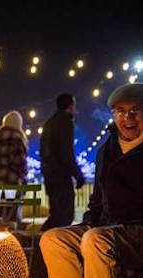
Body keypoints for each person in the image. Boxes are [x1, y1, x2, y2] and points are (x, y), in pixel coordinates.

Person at [40, 83, 143, 278]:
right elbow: (98, 198)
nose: (128, 118)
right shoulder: (107, 150)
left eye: (135, 111)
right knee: (54, 239)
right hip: (109, 229)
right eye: (120, 111)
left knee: (96, 240)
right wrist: (88, 222)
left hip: (138, 230)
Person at [40, 93, 85, 231]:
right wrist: (78, 175)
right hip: (61, 176)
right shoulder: (65, 122)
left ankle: (43, 243)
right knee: (64, 216)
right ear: (71, 105)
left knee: (56, 213)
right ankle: (47, 244)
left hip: (50, 175)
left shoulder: (49, 123)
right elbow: (67, 152)